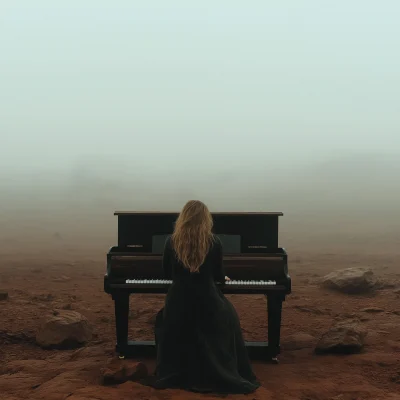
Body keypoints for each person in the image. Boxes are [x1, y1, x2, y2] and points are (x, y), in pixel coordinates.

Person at [149, 200, 260, 394]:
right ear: (205, 219)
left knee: (163, 318)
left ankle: (178, 369)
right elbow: (218, 276)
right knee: (229, 318)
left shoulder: (170, 241)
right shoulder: (214, 242)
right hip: (207, 302)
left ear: (183, 218)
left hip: (178, 304)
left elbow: (167, 275)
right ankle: (219, 369)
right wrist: (222, 277)